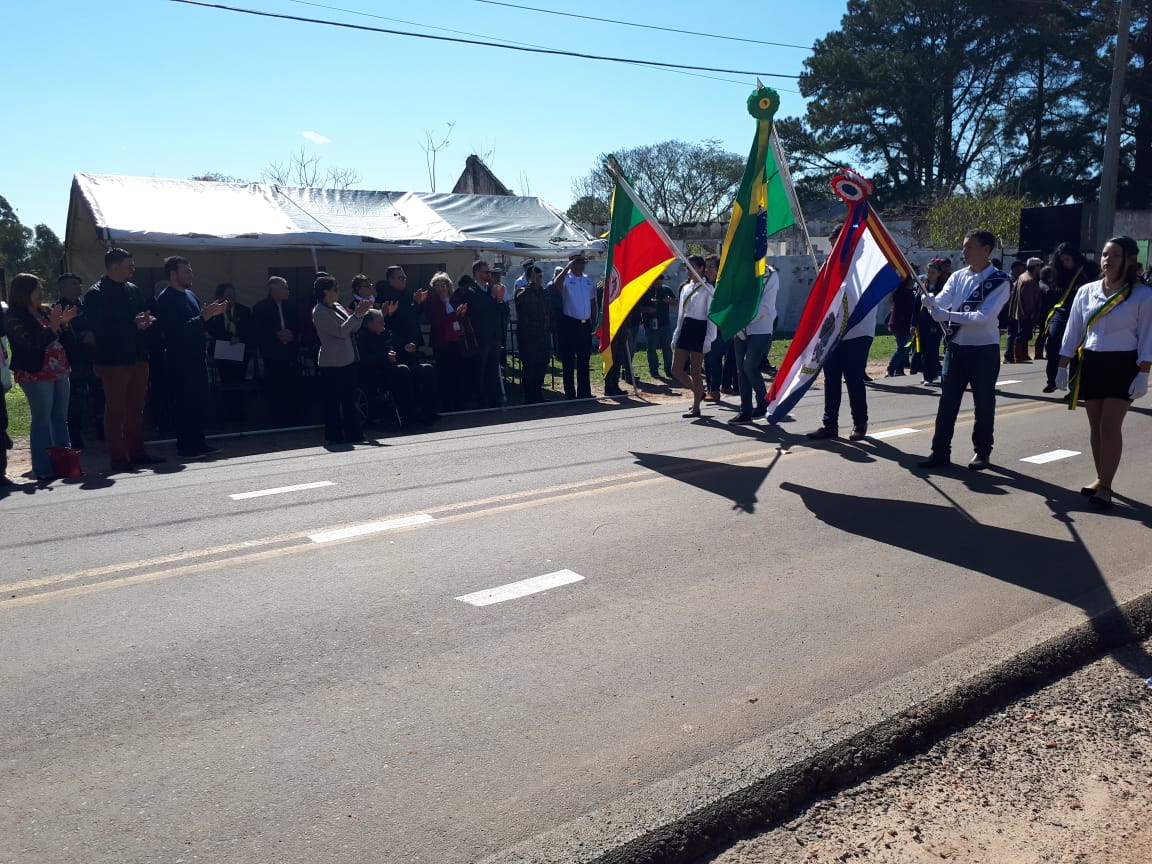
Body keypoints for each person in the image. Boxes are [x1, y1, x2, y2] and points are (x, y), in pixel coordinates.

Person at [1054, 236, 1152, 509]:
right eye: (1105, 254)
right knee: (1095, 427)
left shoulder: (1143, 295)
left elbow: (1147, 337)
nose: (1108, 260)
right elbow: (1073, 329)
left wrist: (1144, 372)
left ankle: (1106, 486)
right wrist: (1062, 365)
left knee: (1110, 427)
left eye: (1116, 255)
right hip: (1092, 362)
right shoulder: (1086, 291)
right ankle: (1101, 477)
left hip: (1123, 364)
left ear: (1130, 260)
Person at [918, 230, 1012, 470]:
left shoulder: (1000, 281)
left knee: (983, 402)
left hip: (983, 350)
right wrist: (930, 300)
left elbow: (983, 316)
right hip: (956, 348)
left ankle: (982, 451)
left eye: (969, 247)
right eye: (964, 247)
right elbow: (942, 302)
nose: (964, 252)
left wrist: (946, 314)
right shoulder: (958, 276)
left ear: (986, 249)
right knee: (947, 402)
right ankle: (939, 451)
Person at [83, 248, 165, 472]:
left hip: (137, 356)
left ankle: (137, 452)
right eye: (129, 265)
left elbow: (142, 315)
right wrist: (133, 324)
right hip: (113, 359)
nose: (133, 269)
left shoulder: (134, 289)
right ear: (114, 266)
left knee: (137, 408)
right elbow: (99, 328)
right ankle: (118, 457)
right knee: (116, 409)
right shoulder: (95, 293)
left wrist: (147, 321)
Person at [152, 256, 226, 460]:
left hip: (197, 356)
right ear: (173, 274)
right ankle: (185, 446)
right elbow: (175, 330)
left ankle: (199, 442)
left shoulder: (191, 295)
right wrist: (202, 317)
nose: (190, 274)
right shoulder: (167, 298)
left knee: (199, 401)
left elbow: (200, 325)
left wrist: (213, 316)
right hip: (179, 358)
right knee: (184, 403)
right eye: (186, 271)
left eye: (190, 271)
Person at [5, 274, 77, 481]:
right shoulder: (13, 317)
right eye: (37, 289)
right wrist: (54, 327)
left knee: (60, 418)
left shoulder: (45, 311)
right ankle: (44, 468)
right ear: (24, 292)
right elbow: (30, 347)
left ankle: (65, 463)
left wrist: (64, 324)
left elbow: (65, 340)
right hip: (35, 374)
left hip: (60, 370)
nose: (41, 293)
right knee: (42, 419)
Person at [313, 275, 373, 445]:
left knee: (349, 400)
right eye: (335, 289)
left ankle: (354, 434)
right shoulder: (319, 312)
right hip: (332, 363)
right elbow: (340, 332)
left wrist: (359, 315)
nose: (338, 292)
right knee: (333, 401)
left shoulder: (337, 306)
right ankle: (334, 435)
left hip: (348, 359)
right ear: (326, 292)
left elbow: (353, 328)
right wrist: (356, 315)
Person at [807, 297, 877, 441]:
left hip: (859, 332)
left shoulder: (863, 275)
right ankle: (830, 425)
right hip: (833, 333)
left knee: (853, 379)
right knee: (831, 379)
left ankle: (860, 423)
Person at [1043, 243, 1100, 392]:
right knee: (1053, 343)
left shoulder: (1090, 269)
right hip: (1061, 311)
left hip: (1081, 314)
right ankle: (1053, 379)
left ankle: (1074, 387)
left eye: (1067, 259)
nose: (1065, 263)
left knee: (1076, 350)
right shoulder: (1058, 272)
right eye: (1061, 261)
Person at [728, 265, 780, 424]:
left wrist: (744, 320)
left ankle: (764, 402)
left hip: (761, 327)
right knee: (741, 370)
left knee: (749, 366)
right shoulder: (740, 272)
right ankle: (745, 410)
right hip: (739, 328)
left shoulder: (770, 275)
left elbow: (765, 307)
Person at [252, 276, 303, 425]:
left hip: (291, 353)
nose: (288, 291)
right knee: (275, 386)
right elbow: (257, 332)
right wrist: (275, 335)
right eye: (284, 288)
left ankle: (294, 417)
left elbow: (298, 325)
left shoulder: (292, 306)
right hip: (272, 355)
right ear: (274, 290)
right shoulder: (260, 308)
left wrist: (292, 334)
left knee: (292, 385)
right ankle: (276, 418)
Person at [670, 255, 716, 418]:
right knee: (676, 369)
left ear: (701, 268)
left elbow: (711, 318)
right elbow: (681, 315)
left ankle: (696, 407)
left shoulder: (708, 289)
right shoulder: (686, 288)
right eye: (687, 267)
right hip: (686, 327)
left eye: (691, 267)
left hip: (700, 329)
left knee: (695, 370)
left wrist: (709, 339)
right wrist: (676, 334)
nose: (687, 270)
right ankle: (699, 392)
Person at [54, 272, 96, 449]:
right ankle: (74, 436)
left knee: (93, 396)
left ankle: (96, 430)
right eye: (73, 284)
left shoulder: (85, 306)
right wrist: (82, 337)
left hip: (90, 359)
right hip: (71, 361)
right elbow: (59, 337)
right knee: (74, 400)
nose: (78, 287)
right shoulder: (57, 309)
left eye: (79, 284)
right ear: (61, 288)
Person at [204, 283, 253, 422]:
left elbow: (250, 330)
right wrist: (227, 338)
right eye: (228, 296)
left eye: (233, 295)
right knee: (226, 381)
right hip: (221, 351)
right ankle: (226, 413)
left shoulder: (244, 310)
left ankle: (239, 412)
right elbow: (210, 329)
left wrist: (239, 338)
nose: (231, 299)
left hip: (240, 351)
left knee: (239, 381)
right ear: (220, 297)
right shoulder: (214, 312)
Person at [424, 272, 469, 411]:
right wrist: (453, 315)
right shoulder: (432, 302)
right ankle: (445, 404)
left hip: (456, 341)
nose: (440, 289)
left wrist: (461, 314)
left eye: (443, 286)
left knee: (457, 373)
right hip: (441, 342)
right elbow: (437, 321)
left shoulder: (455, 300)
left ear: (448, 286)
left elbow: (462, 321)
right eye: (437, 287)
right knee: (444, 374)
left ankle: (459, 403)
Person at [554, 251, 596, 399]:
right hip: (569, 323)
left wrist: (594, 320)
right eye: (578, 263)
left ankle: (584, 392)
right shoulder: (566, 278)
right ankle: (570, 392)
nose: (581, 266)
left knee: (584, 359)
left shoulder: (587, 280)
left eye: (583, 263)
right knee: (569, 360)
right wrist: (567, 269)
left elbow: (592, 301)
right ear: (572, 264)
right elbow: (556, 285)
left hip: (585, 324)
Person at [514, 265, 552, 404]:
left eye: (541, 276)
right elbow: (521, 302)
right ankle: (529, 396)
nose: (539, 279)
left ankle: (538, 394)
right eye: (537, 276)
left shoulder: (544, 292)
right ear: (529, 277)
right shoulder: (523, 291)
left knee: (541, 365)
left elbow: (548, 310)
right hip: (528, 337)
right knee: (530, 366)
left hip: (542, 335)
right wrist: (531, 284)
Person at [914, 258, 949, 385]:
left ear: (939, 273)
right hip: (923, 321)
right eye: (928, 272)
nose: (930, 275)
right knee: (924, 350)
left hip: (936, 322)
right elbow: (917, 305)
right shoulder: (923, 286)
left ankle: (931, 375)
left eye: (933, 272)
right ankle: (928, 374)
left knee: (932, 350)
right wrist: (913, 323)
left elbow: (945, 305)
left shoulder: (943, 287)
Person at [638, 272, 676, 378]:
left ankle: (669, 370)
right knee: (651, 348)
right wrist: (647, 309)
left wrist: (670, 300)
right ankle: (654, 370)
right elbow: (638, 307)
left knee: (667, 348)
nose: (658, 286)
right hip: (650, 325)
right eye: (656, 284)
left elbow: (676, 302)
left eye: (660, 284)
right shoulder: (645, 291)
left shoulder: (666, 289)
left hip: (664, 324)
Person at [1006, 257, 1043, 364]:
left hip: (1017, 311)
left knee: (1022, 334)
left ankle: (1022, 354)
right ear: (1035, 267)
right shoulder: (1029, 281)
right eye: (1039, 266)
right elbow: (1028, 300)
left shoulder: (1022, 276)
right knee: (1022, 335)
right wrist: (1031, 313)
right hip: (1025, 314)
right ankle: (1019, 355)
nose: (1040, 268)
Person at [885, 276, 917, 377]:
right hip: (901, 325)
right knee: (902, 348)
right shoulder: (902, 292)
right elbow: (902, 310)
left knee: (906, 348)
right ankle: (891, 368)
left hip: (905, 326)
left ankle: (899, 369)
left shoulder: (909, 292)